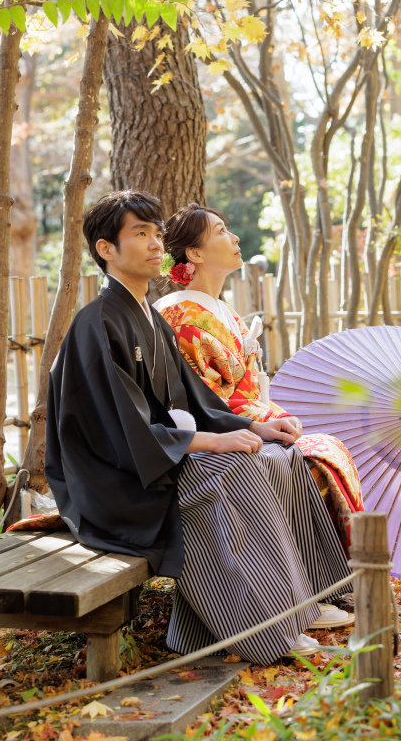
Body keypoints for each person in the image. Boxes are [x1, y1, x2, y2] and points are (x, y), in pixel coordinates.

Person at [45, 190, 351, 663]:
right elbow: (119, 429)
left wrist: (253, 428)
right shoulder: (98, 323)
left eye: (157, 233)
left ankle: (305, 600)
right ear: (106, 249)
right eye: (140, 234)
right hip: (114, 480)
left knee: (281, 456)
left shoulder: (150, 318)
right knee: (231, 470)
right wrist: (213, 440)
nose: (155, 244)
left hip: (153, 457)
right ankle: (266, 628)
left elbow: (195, 398)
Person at [155, 203, 364, 564]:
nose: (235, 238)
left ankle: (321, 574)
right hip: (209, 435)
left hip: (242, 422)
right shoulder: (181, 315)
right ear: (195, 254)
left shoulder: (220, 310)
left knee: (325, 448)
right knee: (315, 458)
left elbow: (247, 388)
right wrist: (263, 421)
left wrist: (277, 416)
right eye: (221, 231)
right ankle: (310, 574)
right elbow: (205, 401)